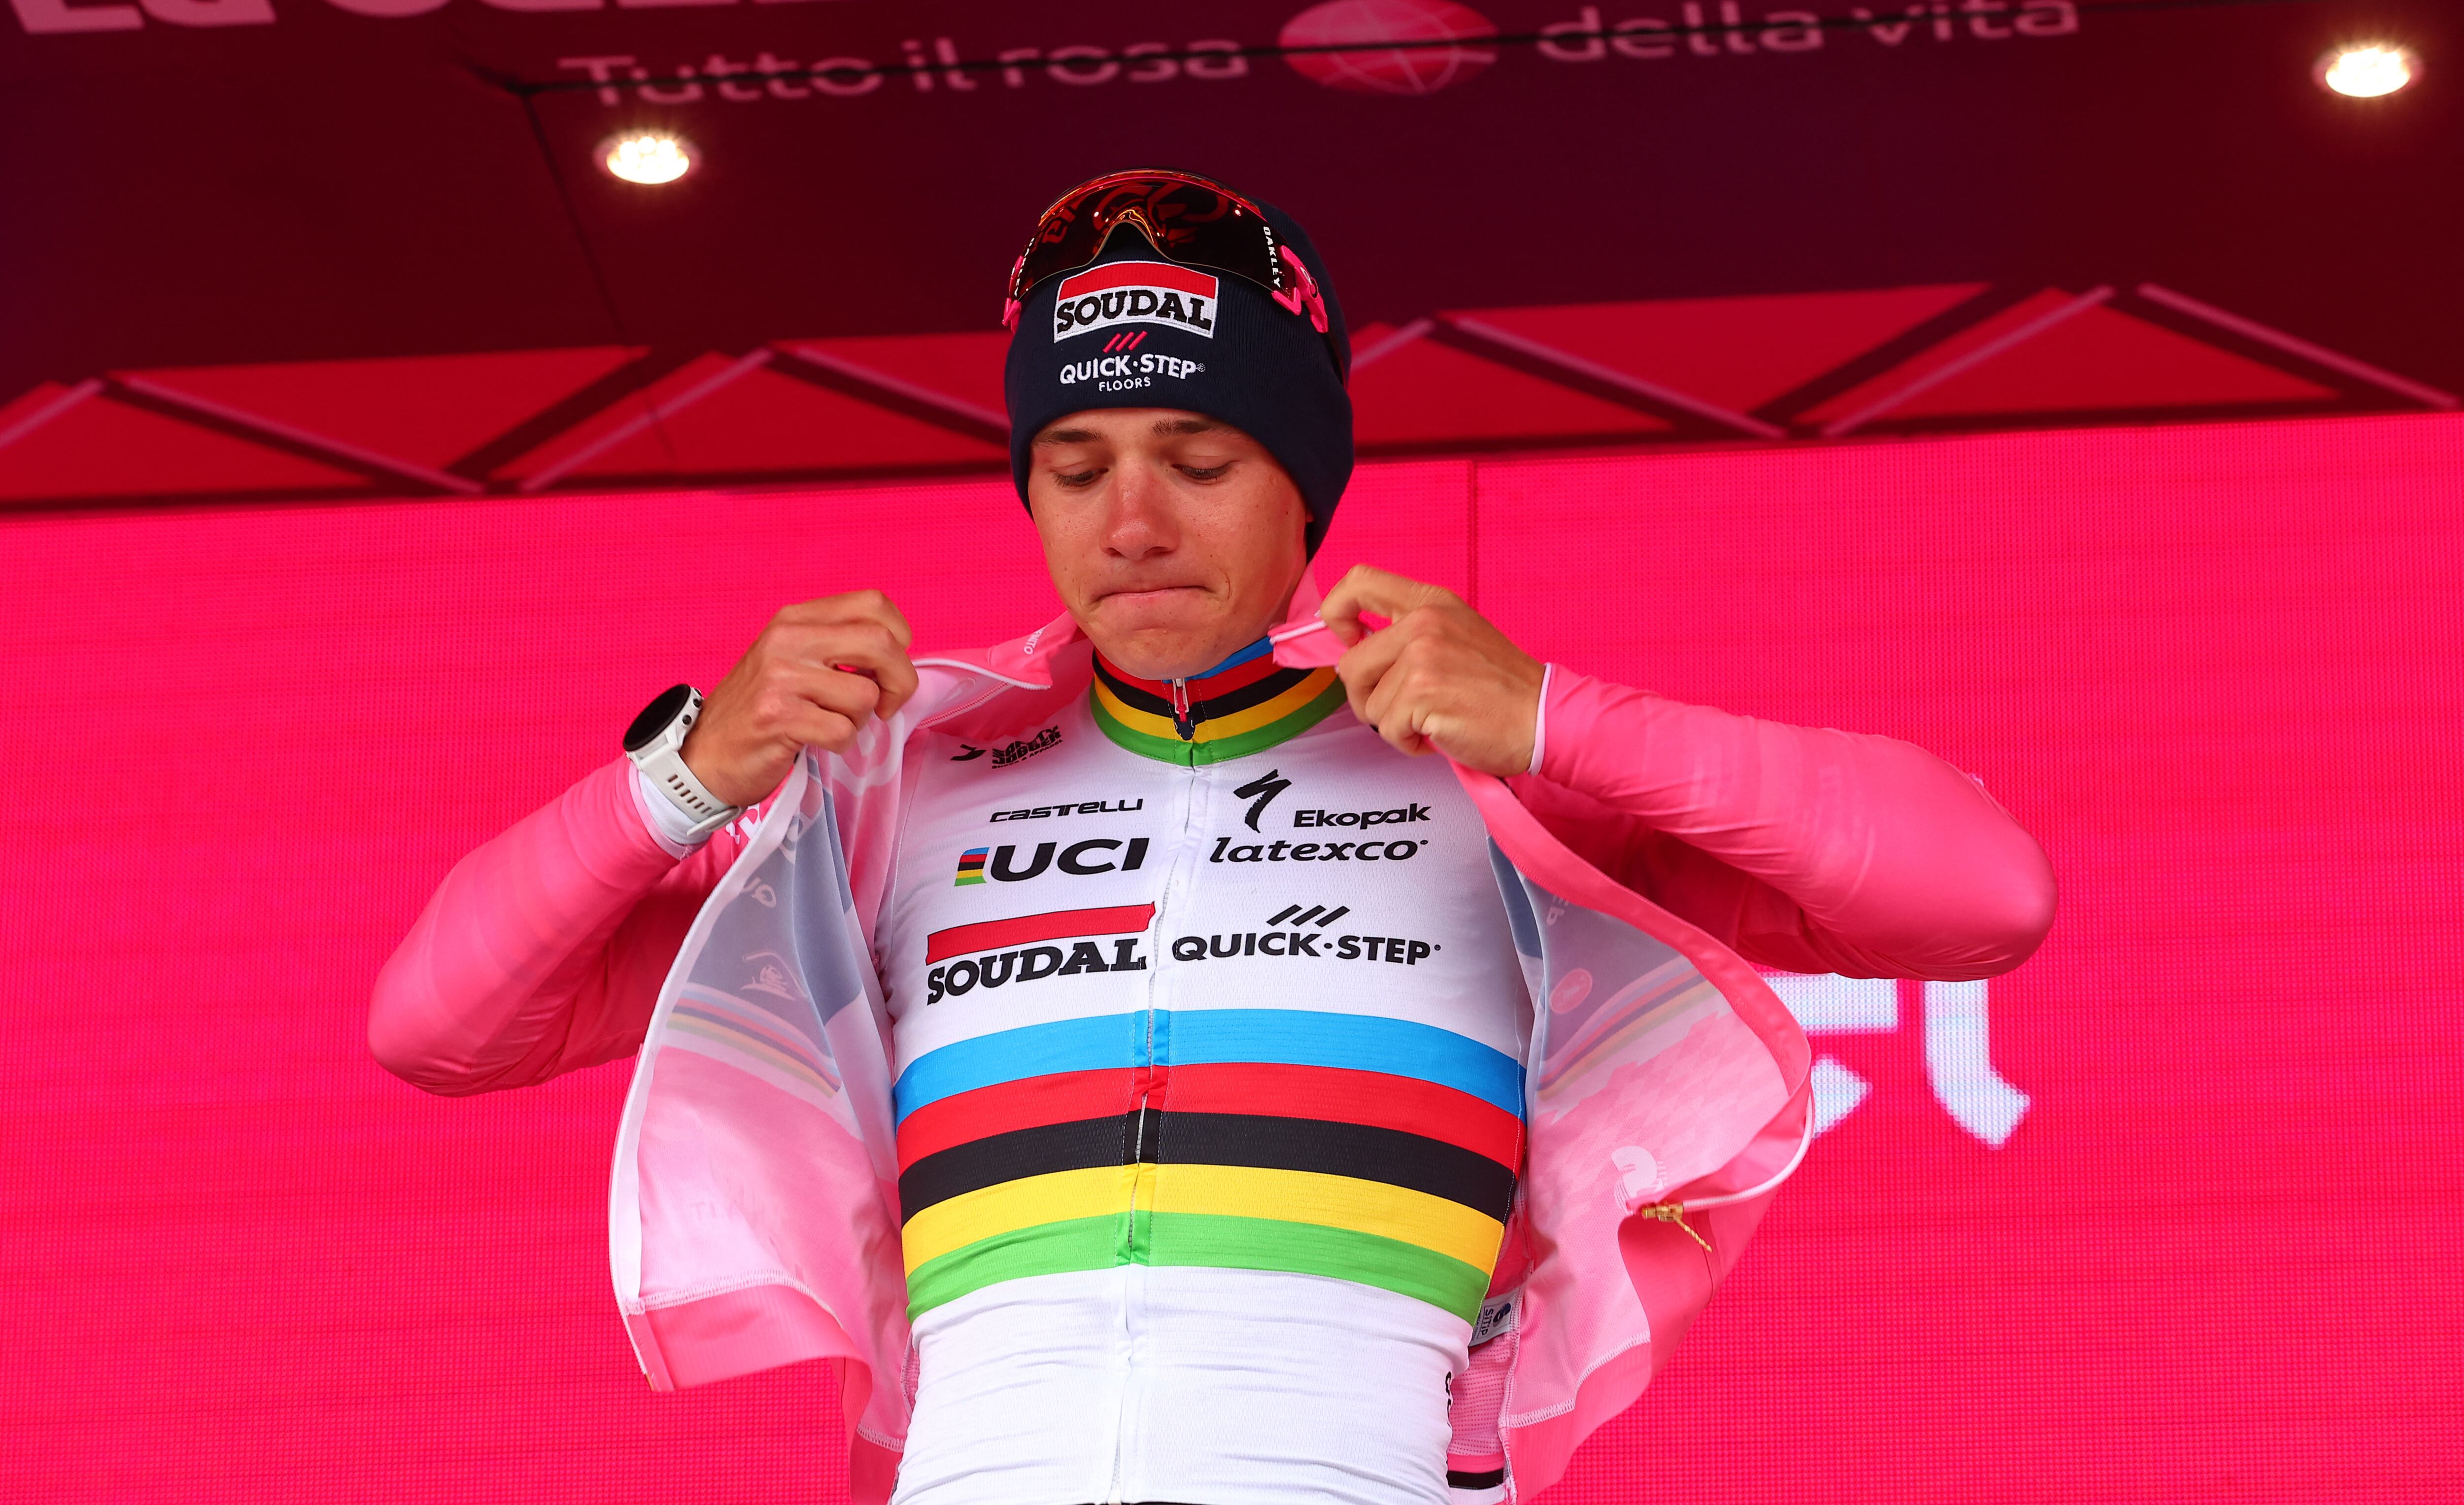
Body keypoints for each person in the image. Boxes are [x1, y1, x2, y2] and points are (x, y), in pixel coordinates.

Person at [370, 170, 2056, 1505]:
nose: (1133, 521)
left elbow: (1984, 896)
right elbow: (437, 1030)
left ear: (1304, 486)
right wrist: (689, 774)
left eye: (1200, 455)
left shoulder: (1483, 773)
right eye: (1074, 462)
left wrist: (1555, 713)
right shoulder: (893, 790)